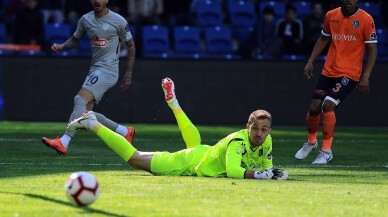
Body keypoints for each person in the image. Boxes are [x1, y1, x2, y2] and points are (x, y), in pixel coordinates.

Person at [66, 78, 289, 180]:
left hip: (203, 153)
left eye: (264, 130)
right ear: (247, 127)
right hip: (189, 163)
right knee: (135, 159)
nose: (260, 134)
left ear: (269, 131)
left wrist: (273, 174)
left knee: (195, 145)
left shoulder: (266, 141)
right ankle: (91, 122)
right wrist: (258, 175)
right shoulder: (238, 142)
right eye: (255, 129)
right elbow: (233, 172)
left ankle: (174, 105)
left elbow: (265, 166)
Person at [41, 0, 136, 155]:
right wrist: (62, 46)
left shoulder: (118, 21)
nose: (97, 1)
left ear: (107, 1)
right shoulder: (85, 20)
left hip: (108, 70)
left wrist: (128, 73)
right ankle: (125, 131)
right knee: (86, 114)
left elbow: (131, 45)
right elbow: (75, 40)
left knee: (79, 99)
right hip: (95, 69)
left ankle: (64, 141)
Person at [295, 0, 377, 164]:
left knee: (328, 105)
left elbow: (372, 49)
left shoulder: (366, 19)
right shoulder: (331, 15)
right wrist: (311, 61)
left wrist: (366, 76)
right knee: (314, 108)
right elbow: (324, 39)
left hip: (350, 73)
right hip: (328, 71)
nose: (348, 1)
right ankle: (311, 142)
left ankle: (326, 151)